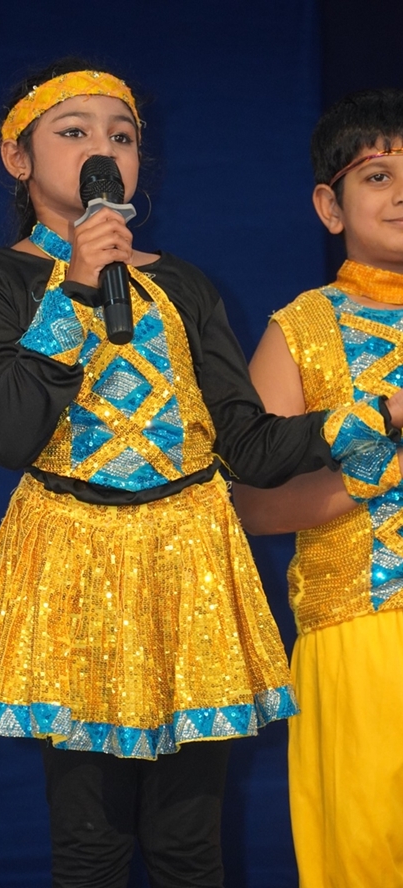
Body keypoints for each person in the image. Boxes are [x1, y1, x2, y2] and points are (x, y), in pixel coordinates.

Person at [0, 62, 403, 888]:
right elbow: (7, 431)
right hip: (75, 573)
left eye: (122, 137)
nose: (104, 151)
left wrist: (368, 418)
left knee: (188, 845)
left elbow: (249, 447)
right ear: (17, 158)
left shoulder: (183, 285)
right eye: (75, 132)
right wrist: (78, 288)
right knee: (90, 844)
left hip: (189, 567)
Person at [233, 88, 403, 888]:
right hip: (360, 638)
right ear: (329, 207)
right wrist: (382, 465)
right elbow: (254, 505)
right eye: (377, 175)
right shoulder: (303, 328)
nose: (401, 193)